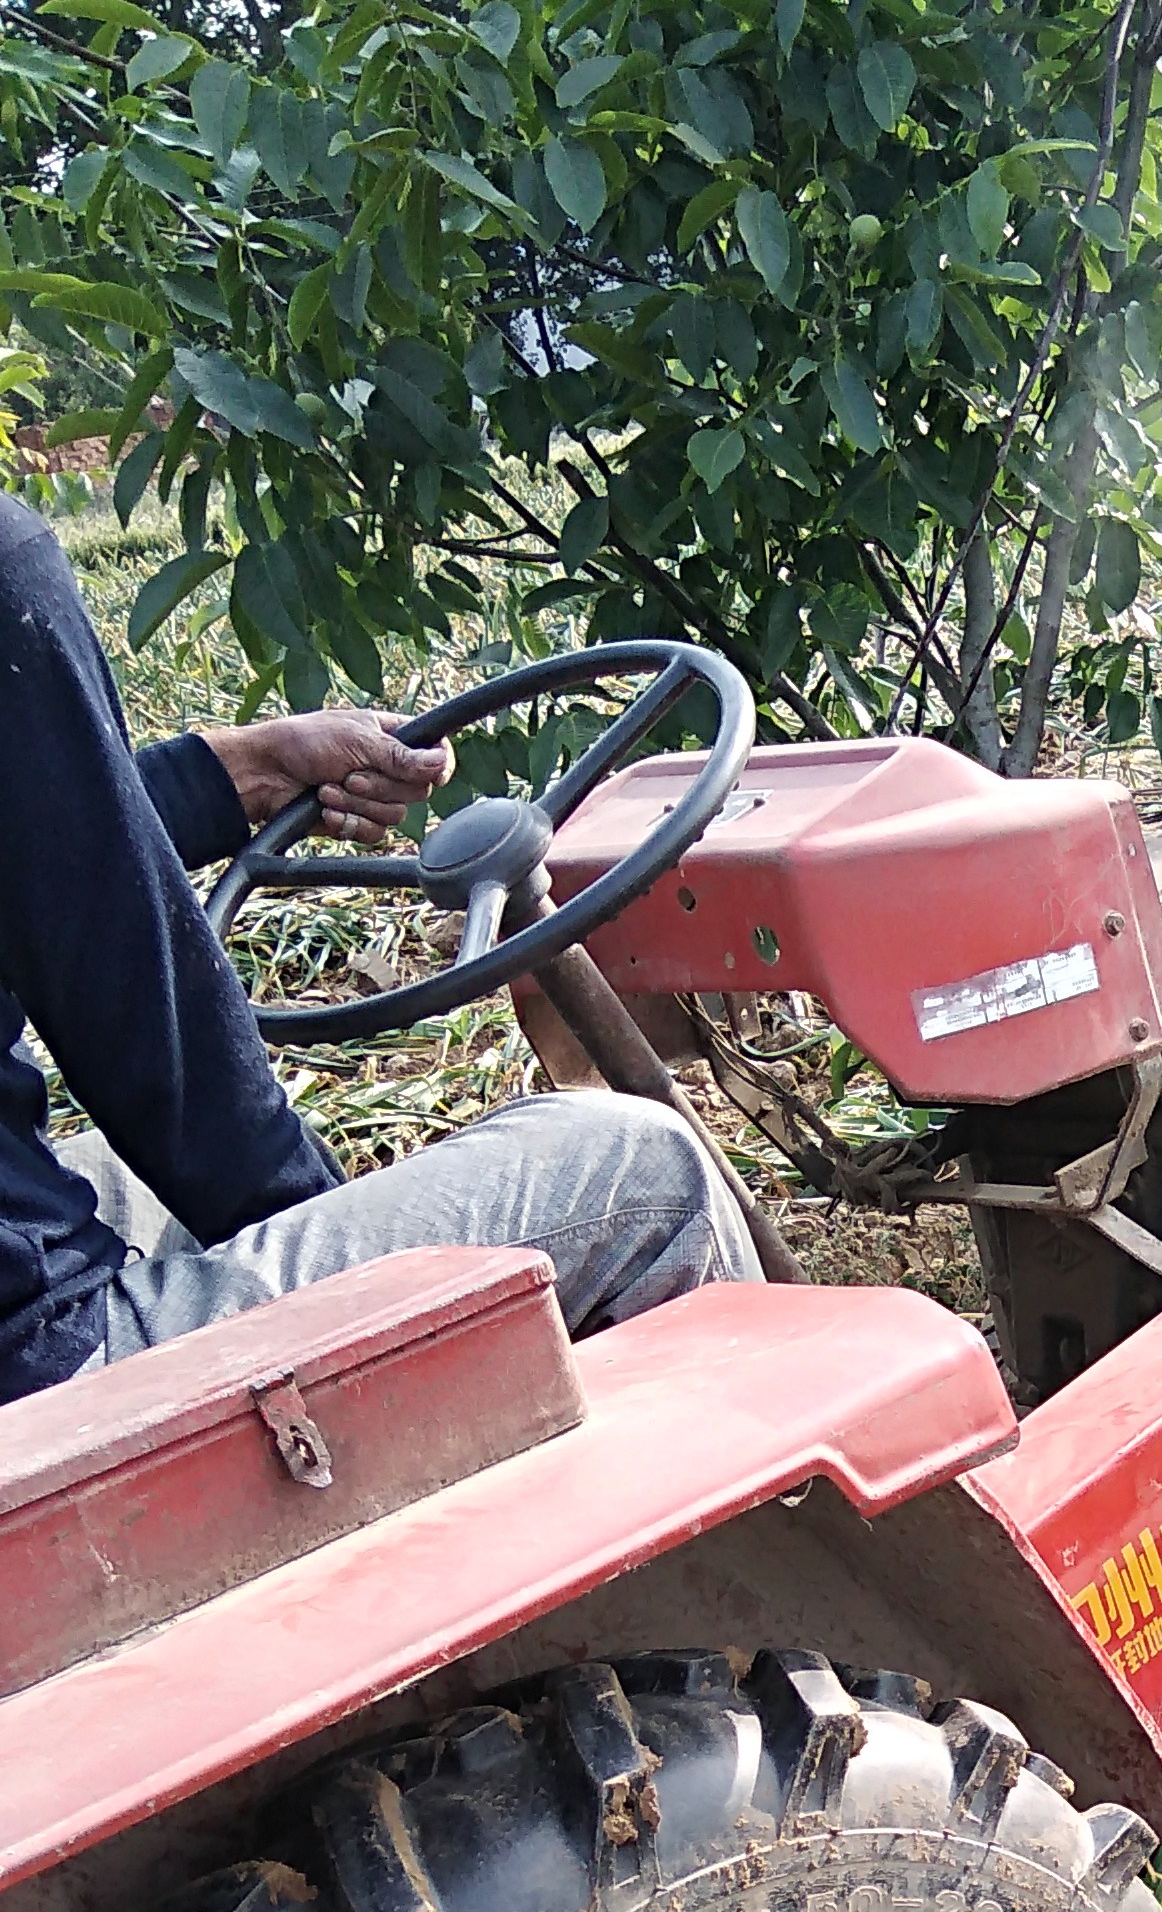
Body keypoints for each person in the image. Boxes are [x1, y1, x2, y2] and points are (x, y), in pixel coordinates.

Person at [0, 494, 757, 1407]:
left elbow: (48, 843)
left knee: (120, 1184)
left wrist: (235, 774)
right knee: (646, 1176)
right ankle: (790, 1532)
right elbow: (150, 1034)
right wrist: (378, 1300)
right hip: (42, 1380)